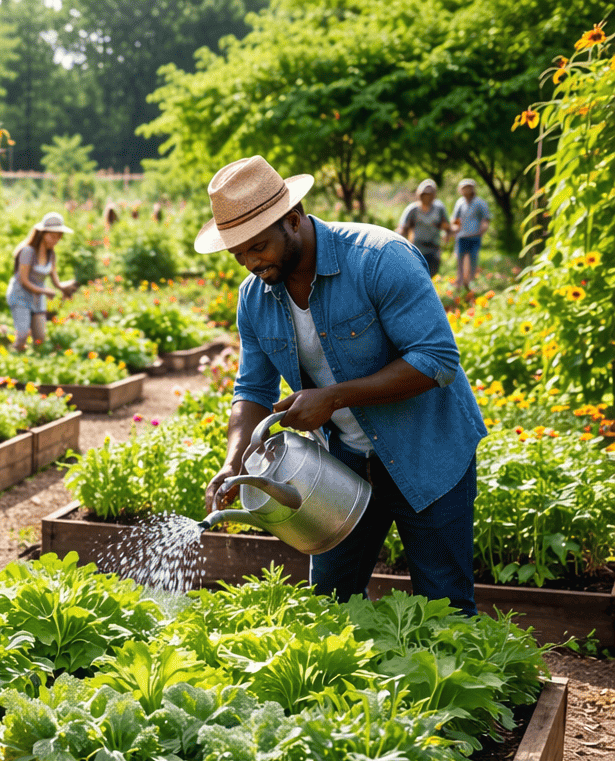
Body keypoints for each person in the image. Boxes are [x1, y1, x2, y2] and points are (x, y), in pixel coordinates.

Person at [196, 156, 487, 614]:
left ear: (292, 220)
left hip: (428, 453)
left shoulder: (379, 258)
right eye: (238, 255)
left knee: (444, 605)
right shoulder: (255, 298)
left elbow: (436, 361)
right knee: (331, 606)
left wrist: (333, 398)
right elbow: (251, 389)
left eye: (257, 247)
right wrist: (236, 460)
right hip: (342, 464)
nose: (251, 263)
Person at [5, 212, 78, 351]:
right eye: (52, 235)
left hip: (37, 299)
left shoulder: (52, 254)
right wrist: (45, 291)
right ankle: (12, 357)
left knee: (40, 339)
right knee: (22, 334)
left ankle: (32, 363)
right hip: (20, 295)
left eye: (58, 236)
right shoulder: (28, 252)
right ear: (42, 234)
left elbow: (56, 282)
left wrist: (68, 286)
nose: (55, 239)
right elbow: (23, 280)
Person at [396, 179, 451, 278]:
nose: (427, 197)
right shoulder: (412, 209)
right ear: (419, 195)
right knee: (418, 276)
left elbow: (446, 225)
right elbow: (403, 228)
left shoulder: (439, 208)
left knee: (432, 275)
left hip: (434, 247)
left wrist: (448, 234)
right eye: (425, 194)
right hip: (417, 248)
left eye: (430, 194)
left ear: (434, 195)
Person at [452, 179, 491, 292]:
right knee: (459, 260)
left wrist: (483, 228)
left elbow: (485, 218)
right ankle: (459, 284)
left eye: (469, 187)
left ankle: (470, 283)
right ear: (460, 190)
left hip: (474, 237)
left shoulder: (480, 202)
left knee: (473, 260)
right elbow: (456, 219)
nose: (466, 190)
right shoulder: (459, 203)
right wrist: (453, 230)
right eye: (464, 188)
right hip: (461, 237)